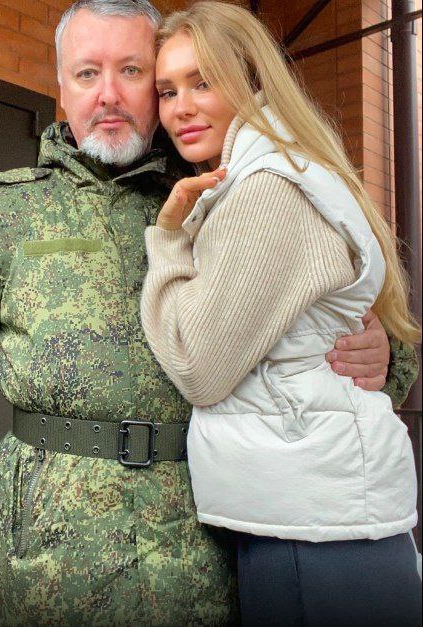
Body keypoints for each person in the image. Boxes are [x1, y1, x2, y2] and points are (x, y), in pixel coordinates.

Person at [0, 0, 415, 624]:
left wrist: (381, 355)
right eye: (87, 73)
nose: (108, 94)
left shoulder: (226, 194)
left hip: (215, 545)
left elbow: (350, 312)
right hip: (49, 555)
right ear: (61, 86)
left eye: (133, 72)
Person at [140, 2, 421, 625]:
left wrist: (169, 241)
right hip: (317, 511)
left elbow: (198, 369)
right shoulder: (273, 171)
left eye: (203, 82)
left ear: (252, 81)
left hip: (315, 527)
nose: (180, 107)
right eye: (167, 90)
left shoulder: (266, 190)